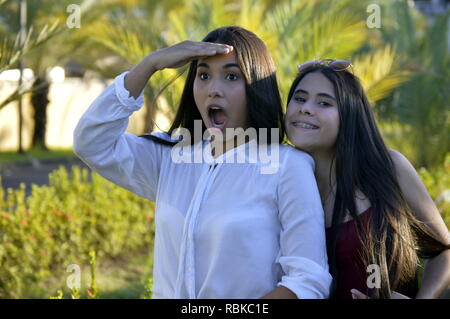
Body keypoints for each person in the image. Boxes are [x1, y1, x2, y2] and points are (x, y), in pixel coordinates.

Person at [74, 26, 332, 299]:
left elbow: (307, 280)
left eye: (231, 76)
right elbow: (92, 142)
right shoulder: (171, 156)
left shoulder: (287, 166)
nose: (213, 90)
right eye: (204, 75)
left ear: (256, 86)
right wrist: (150, 64)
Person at [284, 59, 450, 299]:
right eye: (299, 98)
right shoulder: (277, 179)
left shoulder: (388, 168)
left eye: (324, 102)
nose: (306, 108)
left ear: (349, 114)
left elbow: (444, 251)